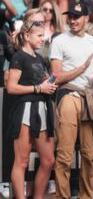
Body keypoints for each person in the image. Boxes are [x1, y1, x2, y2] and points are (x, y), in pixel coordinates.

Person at [50, 2, 93, 198]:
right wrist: (82, 68)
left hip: (89, 96)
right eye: (70, 16)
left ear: (86, 18)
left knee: (89, 155)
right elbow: (55, 76)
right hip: (69, 95)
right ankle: (62, 196)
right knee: (64, 155)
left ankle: (87, 195)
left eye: (77, 16)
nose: (72, 20)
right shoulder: (59, 40)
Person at [7, 16, 57, 198]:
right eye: (38, 35)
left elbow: (42, 82)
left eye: (43, 35)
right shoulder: (19, 57)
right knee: (22, 161)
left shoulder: (41, 58)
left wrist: (48, 86)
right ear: (27, 36)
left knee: (49, 160)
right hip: (25, 111)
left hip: (42, 110)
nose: (42, 39)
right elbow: (11, 87)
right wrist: (39, 87)